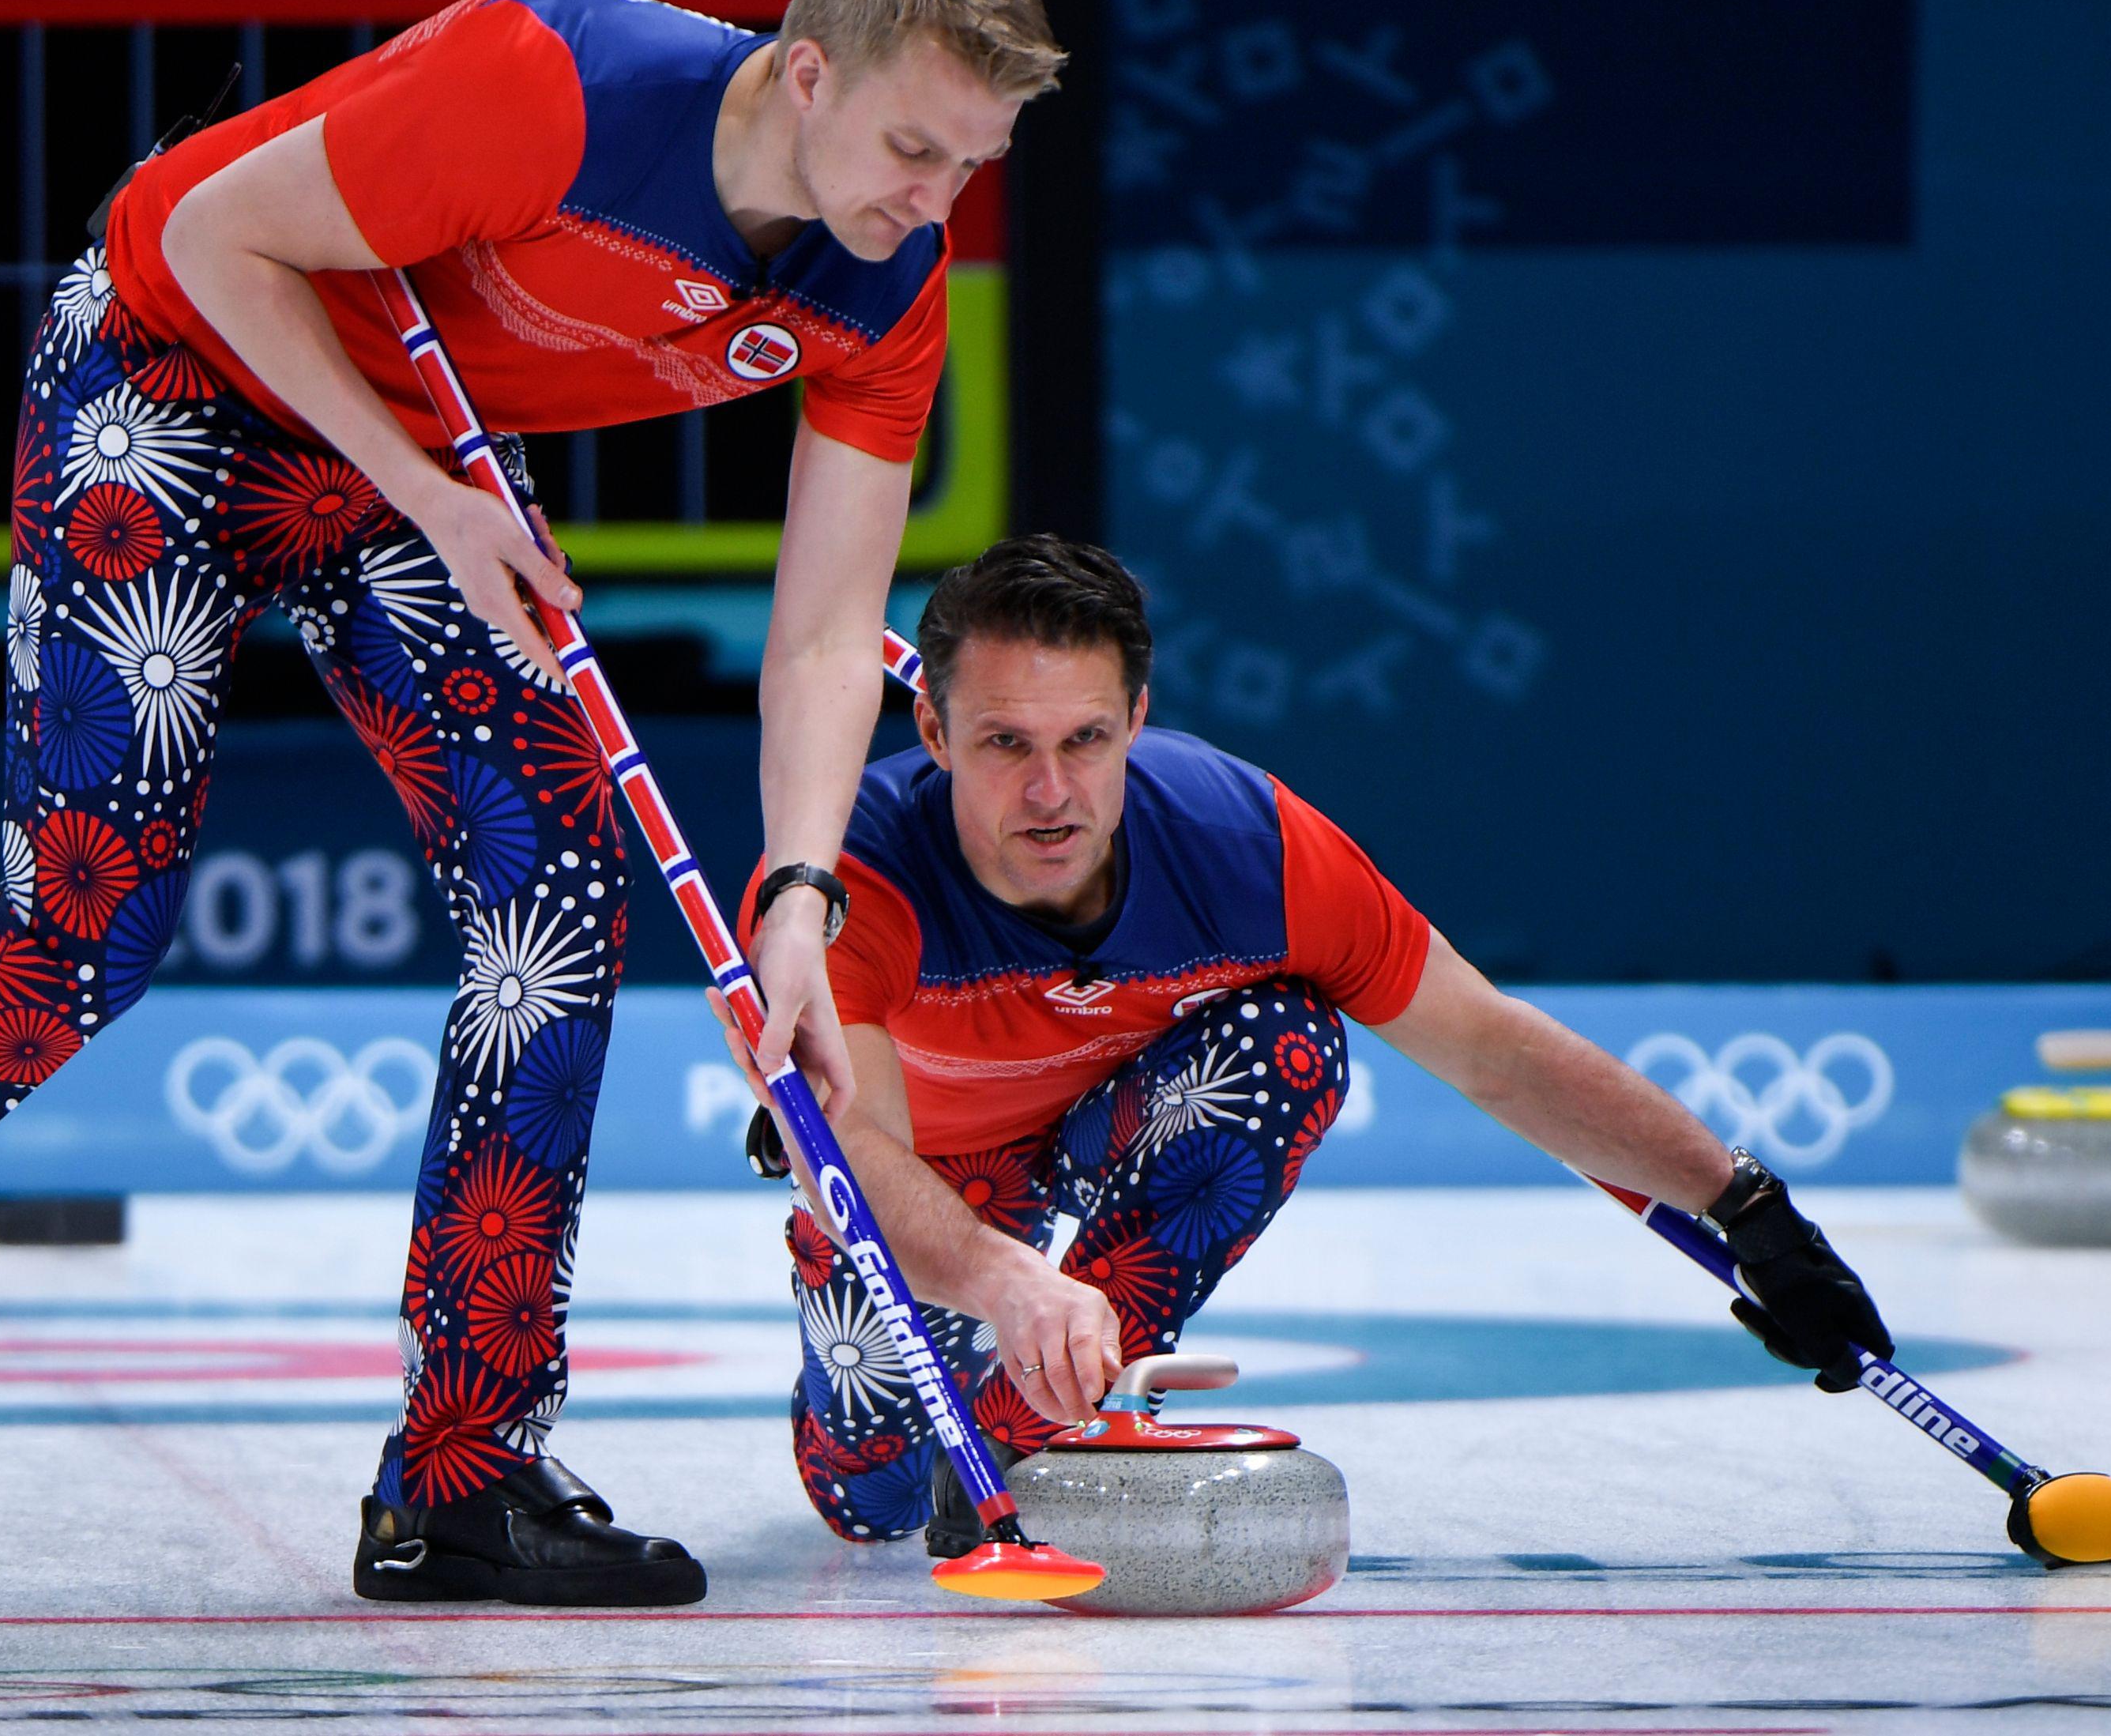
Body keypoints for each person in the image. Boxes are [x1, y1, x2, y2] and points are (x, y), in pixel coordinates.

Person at [0, 0, 1065, 1608]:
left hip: (402, 441)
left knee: (553, 907)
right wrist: (425, 496)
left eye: (971, 168)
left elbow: (827, 638)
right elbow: (196, 233)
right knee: (78, 931)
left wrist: (796, 893)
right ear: (804, 70)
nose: (934, 204)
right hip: (174, 362)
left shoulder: (885, 283)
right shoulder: (548, 84)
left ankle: (461, 1483)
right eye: (916, 149)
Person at [716, 536, 1893, 1550]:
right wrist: (999, 1274)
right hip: (927, 1179)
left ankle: (1030, 1431)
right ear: (928, 726)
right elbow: (850, 1152)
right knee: (867, 1492)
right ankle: (927, 1414)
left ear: (1136, 716)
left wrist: (1743, 1207)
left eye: (1083, 738)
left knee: (1286, 1044)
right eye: (1003, 744)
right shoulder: (838, 878)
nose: (1051, 792)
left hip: (1108, 1121)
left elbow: (1488, 1047)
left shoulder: (1245, 842)